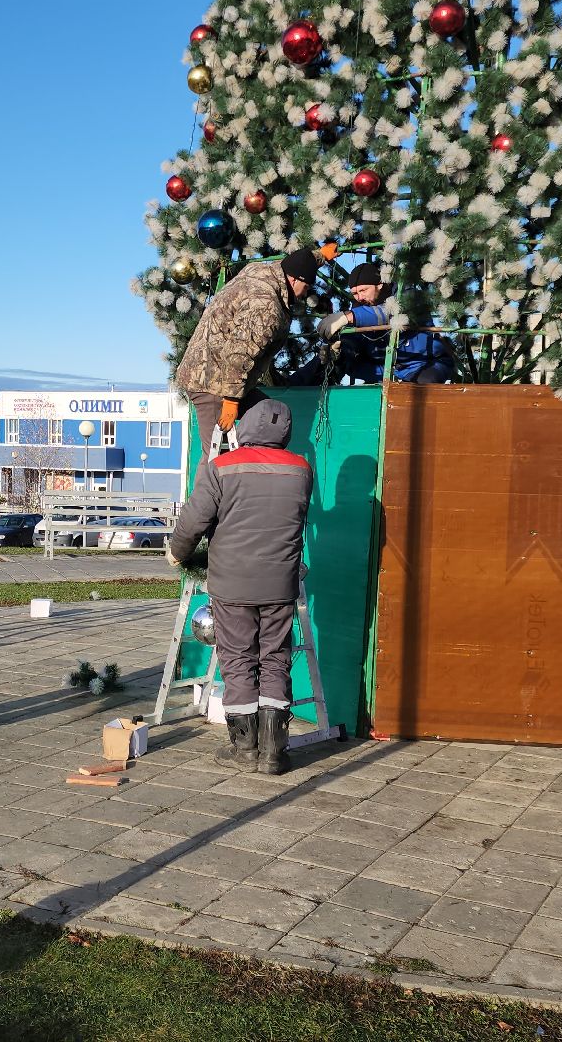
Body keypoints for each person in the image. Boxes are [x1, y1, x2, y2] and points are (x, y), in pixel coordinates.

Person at [166, 400, 312, 776]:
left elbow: (194, 518)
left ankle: (245, 748)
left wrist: (177, 553)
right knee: (275, 659)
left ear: (245, 427)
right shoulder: (301, 470)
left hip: (232, 583)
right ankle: (274, 752)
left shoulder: (222, 467)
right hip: (280, 582)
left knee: (238, 660)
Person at [174, 247, 320, 441]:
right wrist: (232, 400)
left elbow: (296, 263)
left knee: (271, 418)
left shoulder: (263, 272)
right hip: (210, 382)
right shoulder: (266, 306)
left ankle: (253, 466)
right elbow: (239, 352)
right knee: (215, 455)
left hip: (222, 377)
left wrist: (320, 256)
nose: (305, 294)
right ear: (294, 280)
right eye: (307, 287)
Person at [319, 263, 456, 384]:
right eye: (354, 293)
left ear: (379, 284)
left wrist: (348, 317)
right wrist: (341, 350)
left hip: (424, 364)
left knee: (420, 393)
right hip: (387, 371)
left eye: (363, 290)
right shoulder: (359, 310)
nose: (359, 297)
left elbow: (390, 312)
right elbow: (356, 340)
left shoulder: (409, 296)